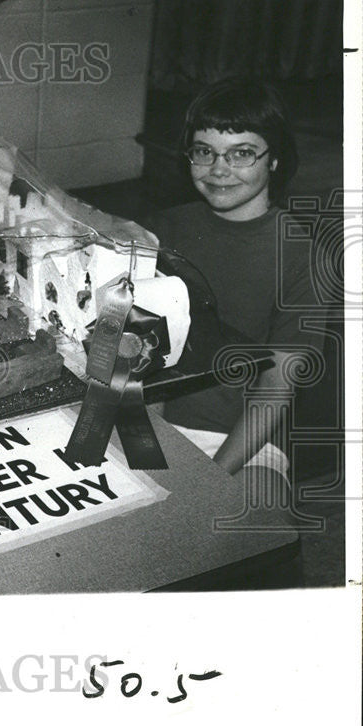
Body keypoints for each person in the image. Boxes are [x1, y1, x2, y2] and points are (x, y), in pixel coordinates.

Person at [143, 79, 322, 506]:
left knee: (253, 529)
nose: (218, 169)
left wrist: (212, 477)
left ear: (274, 159)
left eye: (242, 153)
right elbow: (143, 352)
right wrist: (149, 448)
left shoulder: (302, 254)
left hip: (242, 441)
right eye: (204, 152)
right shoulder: (162, 228)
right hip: (151, 423)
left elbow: (277, 386)